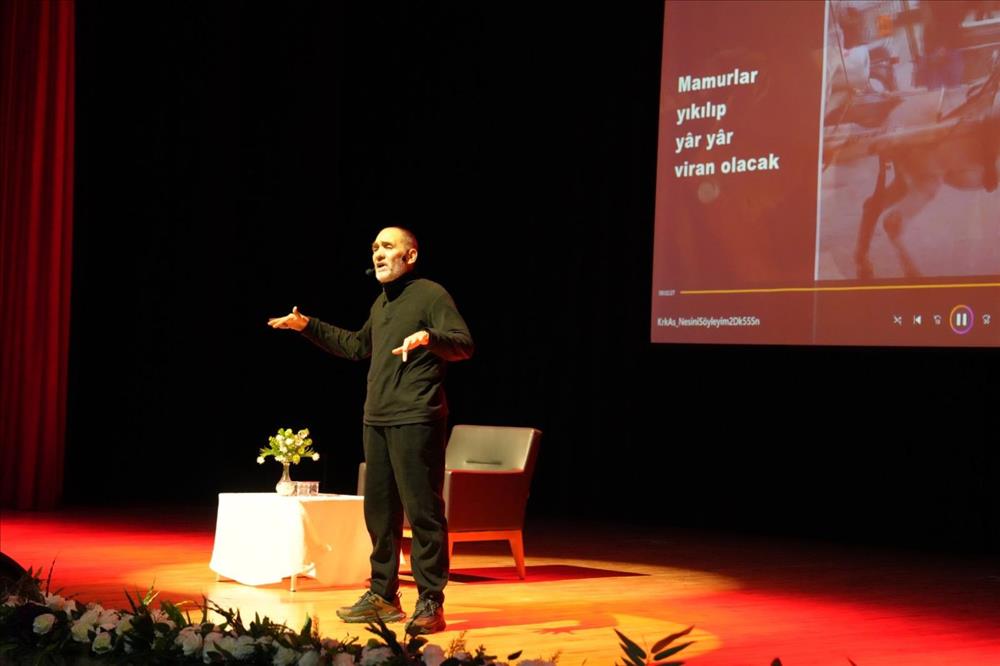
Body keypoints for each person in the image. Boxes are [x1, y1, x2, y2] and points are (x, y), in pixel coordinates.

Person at [267, 226, 473, 635]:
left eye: (387, 246)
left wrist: (429, 337)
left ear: (410, 256)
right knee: (379, 512)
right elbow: (357, 346)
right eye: (375, 247)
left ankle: (430, 600)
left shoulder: (431, 294)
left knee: (423, 511)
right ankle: (383, 595)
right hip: (376, 418)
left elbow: (463, 344)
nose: (377, 253)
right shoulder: (382, 303)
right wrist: (308, 325)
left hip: (416, 415)